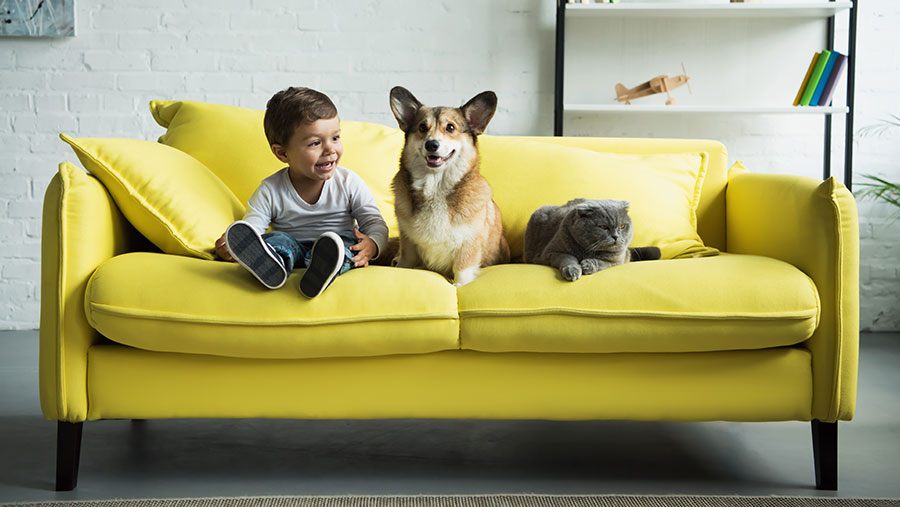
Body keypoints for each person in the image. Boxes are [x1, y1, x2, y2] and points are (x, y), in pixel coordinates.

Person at [215, 87, 388, 298]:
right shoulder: (271, 189)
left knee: (345, 245)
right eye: (315, 143)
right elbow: (254, 228)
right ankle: (273, 266)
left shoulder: (349, 182)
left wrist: (373, 245)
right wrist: (233, 247)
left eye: (335, 138)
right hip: (292, 248)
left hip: (334, 245)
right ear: (282, 153)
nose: (330, 149)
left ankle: (322, 271)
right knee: (276, 241)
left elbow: (374, 223)